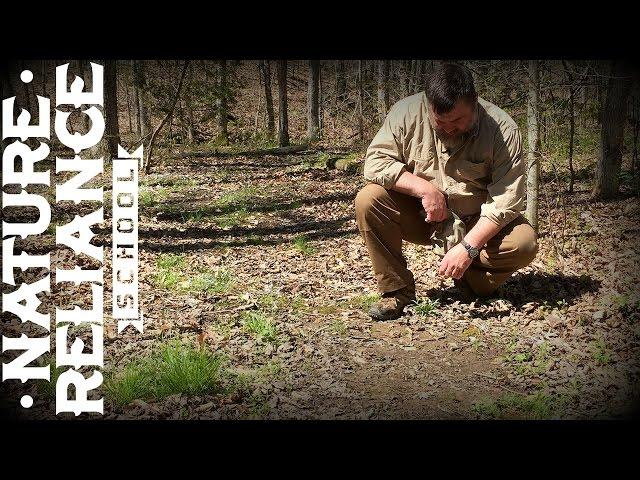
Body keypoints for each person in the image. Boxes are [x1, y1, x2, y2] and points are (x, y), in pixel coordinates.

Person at [355, 62, 538, 321]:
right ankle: (396, 291)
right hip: (424, 218)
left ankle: (470, 279)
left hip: (477, 221)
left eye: (458, 120)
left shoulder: (502, 129)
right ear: (428, 104)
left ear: (474, 103)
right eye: (440, 121)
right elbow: (375, 163)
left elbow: (504, 202)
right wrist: (424, 189)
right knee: (369, 199)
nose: (449, 128)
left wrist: (468, 248)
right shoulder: (405, 112)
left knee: (524, 243)